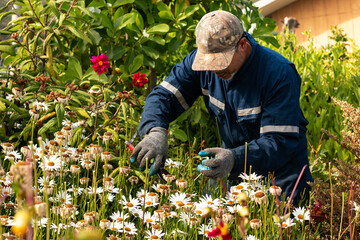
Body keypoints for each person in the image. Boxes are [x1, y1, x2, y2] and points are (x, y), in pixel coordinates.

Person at [130, 10, 313, 205]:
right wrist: (155, 131)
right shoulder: (202, 65)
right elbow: (164, 96)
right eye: (208, 63)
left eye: (220, 62)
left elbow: (279, 141)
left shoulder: (278, 73)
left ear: (243, 45)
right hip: (229, 166)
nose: (214, 69)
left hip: (280, 176)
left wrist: (235, 159)